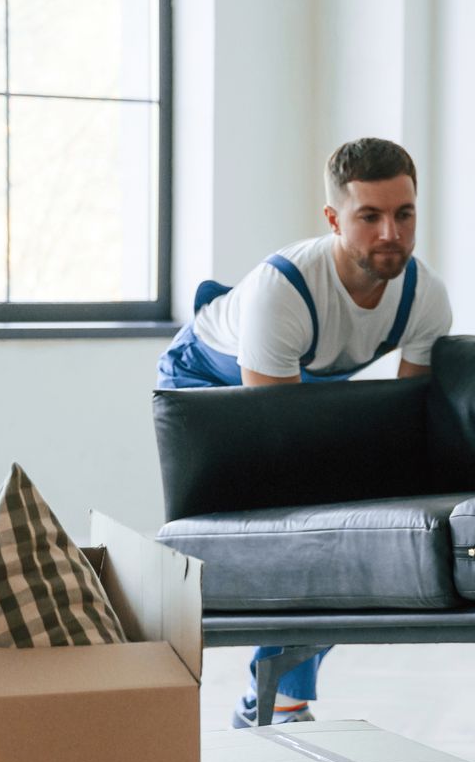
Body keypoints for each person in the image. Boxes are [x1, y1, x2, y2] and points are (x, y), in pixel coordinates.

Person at [157, 137, 454, 728]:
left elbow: (412, 419)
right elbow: (281, 449)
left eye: (404, 214)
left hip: (300, 382)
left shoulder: (426, 298)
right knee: (299, 529)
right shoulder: (284, 291)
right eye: (369, 217)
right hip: (204, 378)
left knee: (365, 528)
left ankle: (267, 702)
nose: (390, 233)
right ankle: (279, 707)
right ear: (334, 219)